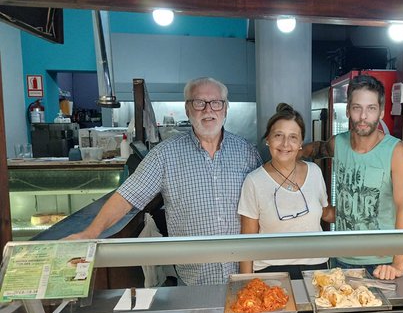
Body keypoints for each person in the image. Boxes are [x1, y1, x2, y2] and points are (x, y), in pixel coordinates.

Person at [67, 77, 263, 285]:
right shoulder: (165, 154)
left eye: (216, 103)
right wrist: (90, 233)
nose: (208, 110)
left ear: (225, 108)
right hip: (195, 279)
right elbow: (127, 196)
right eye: (199, 103)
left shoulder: (247, 152)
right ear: (187, 109)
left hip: (245, 274)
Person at [300, 75, 403, 280]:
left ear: (381, 111)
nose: (363, 116)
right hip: (340, 258)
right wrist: (292, 153)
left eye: (371, 108)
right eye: (356, 108)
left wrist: (398, 264)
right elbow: (317, 149)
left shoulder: (396, 151)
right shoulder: (338, 143)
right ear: (347, 110)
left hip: (381, 263)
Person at [238, 103, 334, 279]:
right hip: (271, 272)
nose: (285, 144)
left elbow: (326, 212)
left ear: (300, 143)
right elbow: (247, 241)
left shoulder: (314, 172)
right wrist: (245, 282)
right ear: (268, 139)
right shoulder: (254, 181)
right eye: (278, 135)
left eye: (293, 137)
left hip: (316, 269)